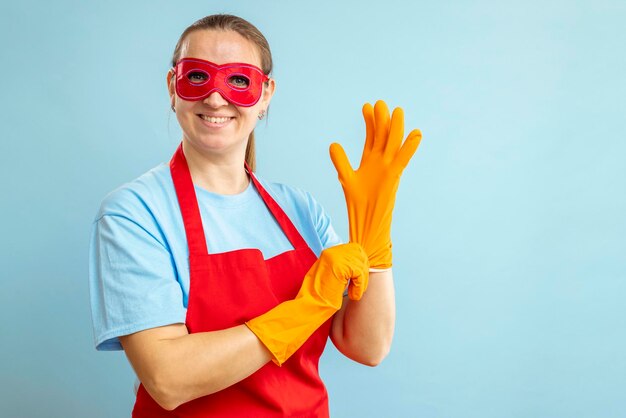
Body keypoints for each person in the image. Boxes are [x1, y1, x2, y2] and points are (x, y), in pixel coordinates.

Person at [89, 14, 421, 417]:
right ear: (172, 88)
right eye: (197, 77)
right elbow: (169, 379)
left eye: (239, 81)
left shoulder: (300, 210)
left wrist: (375, 240)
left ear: (265, 96)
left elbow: (367, 346)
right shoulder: (135, 213)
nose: (215, 98)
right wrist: (305, 308)